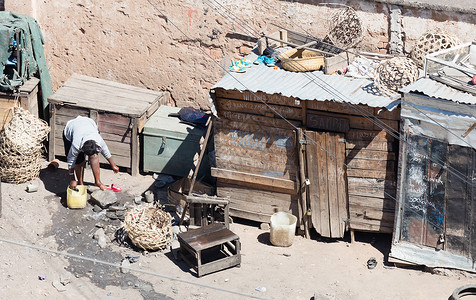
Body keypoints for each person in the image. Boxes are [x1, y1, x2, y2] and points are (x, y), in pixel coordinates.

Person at [63, 116, 119, 190]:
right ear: (82, 149)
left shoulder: (98, 139)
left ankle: (98, 182)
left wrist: (113, 165)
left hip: (88, 123)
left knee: (94, 156)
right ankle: (80, 183)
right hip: (71, 129)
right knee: (79, 161)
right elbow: (71, 160)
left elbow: (105, 151)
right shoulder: (76, 144)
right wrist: (72, 179)